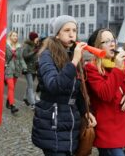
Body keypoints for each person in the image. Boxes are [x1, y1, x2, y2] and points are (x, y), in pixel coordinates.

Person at [32, 15, 97, 156]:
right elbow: (54, 85)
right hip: (52, 122)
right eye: (66, 30)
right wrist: (74, 62)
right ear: (57, 34)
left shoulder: (72, 54)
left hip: (70, 122)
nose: (72, 34)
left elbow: (76, 90)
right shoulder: (46, 55)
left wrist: (86, 111)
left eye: (74, 30)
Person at [84, 28, 125, 156]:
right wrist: (117, 68)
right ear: (97, 47)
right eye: (106, 42)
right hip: (106, 127)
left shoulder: (120, 64)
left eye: (113, 40)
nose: (112, 44)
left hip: (121, 122)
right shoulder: (92, 68)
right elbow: (105, 94)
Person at [5, 31, 27, 114]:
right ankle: (12, 105)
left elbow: (21, 59)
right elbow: (1, 57)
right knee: (11, 87)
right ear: (10, 37)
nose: (15, 37)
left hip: (17, 69)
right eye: (13, 35)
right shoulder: (6, 47)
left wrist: (24, 67)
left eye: (16, 36)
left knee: (13, 87)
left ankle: (8, 100)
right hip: (9, 69)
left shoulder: (19, 47)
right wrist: (4, 64)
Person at [22, 31, 40, 109]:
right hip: (28, 69)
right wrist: (34, 52)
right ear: (33, 38)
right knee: (31, 86)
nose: (38, 39)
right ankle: (33, 103)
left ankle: (25, 98)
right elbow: (25, 56)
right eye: (36, 37)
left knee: (30, 84)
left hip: (34, 69)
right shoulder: (27, 46)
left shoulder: (36, 46)